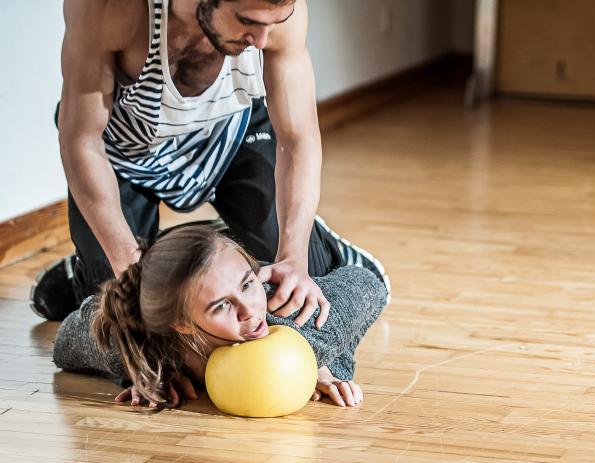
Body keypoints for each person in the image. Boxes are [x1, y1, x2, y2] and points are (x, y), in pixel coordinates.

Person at [33, 0, 368, 328]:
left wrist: (294, 256)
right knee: (123, 318)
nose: (262, 40)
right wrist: (129, 268)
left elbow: (298, 138)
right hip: (124, 152)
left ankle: (298, 245)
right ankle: (86, 272)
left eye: (272, 23)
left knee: (299, 291)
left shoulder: (276, 17)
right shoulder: (113, 9)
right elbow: (82, 140)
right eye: (247, 21)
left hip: (230, 136)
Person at [52, 223, 388, 411]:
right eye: (221, 306)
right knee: (87, 286)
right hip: (169, 262)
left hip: (323, 261)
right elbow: (66, 342)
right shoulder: (151, 337)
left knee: (325, 264)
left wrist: (315, 362)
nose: (249, 310)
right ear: (180, 324)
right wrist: (139, 370)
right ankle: (73, 270)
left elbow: (367, 283)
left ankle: (324, 240)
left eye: (246, 284)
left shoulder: (275, 306)